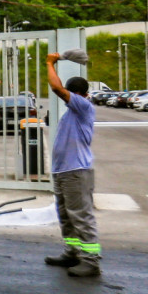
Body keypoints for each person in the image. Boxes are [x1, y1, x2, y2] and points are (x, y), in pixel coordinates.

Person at [44, 53, 100, 277]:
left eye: (72, 94)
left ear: (82, 95)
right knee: (66, 215)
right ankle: (73, 252)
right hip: (63, 172)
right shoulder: (72, 112)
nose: (70, 97)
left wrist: (50, 63)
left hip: (76, 172)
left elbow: (57, 89)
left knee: (81, 216)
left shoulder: (83, 106)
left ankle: (91, 260)